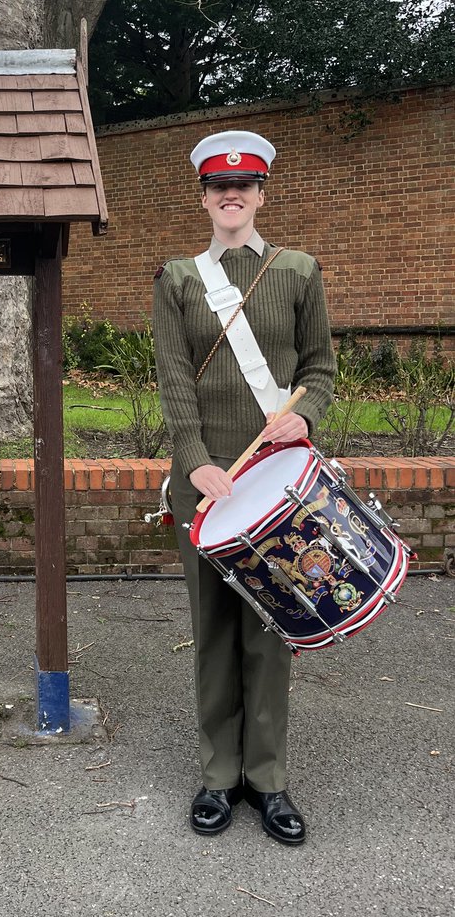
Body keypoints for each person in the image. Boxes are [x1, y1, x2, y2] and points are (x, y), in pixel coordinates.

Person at [152, 129, 336, 846]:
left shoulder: (298, 271)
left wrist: (306, 417)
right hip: (204, 481)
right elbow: (172, 381)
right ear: (203, 197)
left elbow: (318, 368)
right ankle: (217, 775)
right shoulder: (176, 280)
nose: (232, 195)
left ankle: (267, 778)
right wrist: (195, 460)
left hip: (278, 479)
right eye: (218, 187)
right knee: (214, 631)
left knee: (272, 630)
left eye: (247, 185)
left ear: (261, 193)